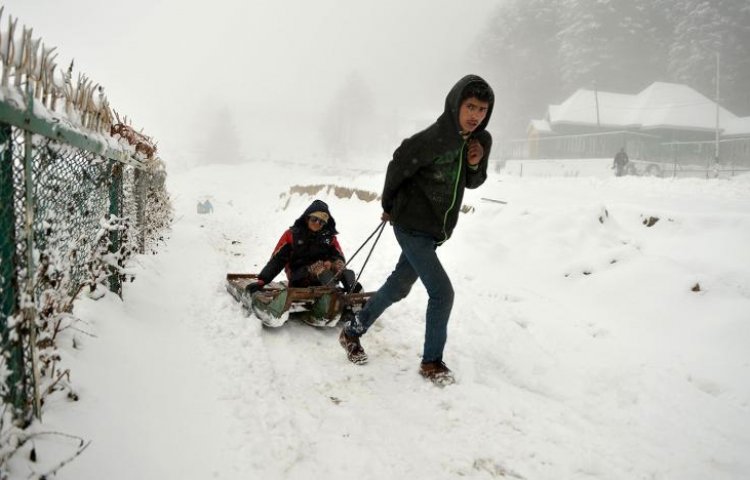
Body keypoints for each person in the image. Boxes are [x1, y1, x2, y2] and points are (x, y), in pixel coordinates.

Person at [338, 74, 494, 385]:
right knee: (442, 293)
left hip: (433, 230)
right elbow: (399, 163)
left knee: (398, 286)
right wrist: (389, 203)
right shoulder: (435, 138)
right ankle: (431, 363)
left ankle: (352, 330)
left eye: (482, 109)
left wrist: (475, 163)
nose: (476, 115)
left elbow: (473, 182)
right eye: (470, 106)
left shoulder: (479, 141)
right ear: (456, 105)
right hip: (410, 224)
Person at [246, 199, 359, 295]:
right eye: (314, 219)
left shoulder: (329, 238)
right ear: (307, 218)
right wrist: (262, 281)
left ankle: (354, 295)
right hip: (298, 276)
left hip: (324, 278)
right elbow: (277, 260)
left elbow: (338, 255)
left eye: (321, 222)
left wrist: (331, 261)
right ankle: (333, 296)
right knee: (320, 268)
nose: (317, 223)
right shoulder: (291, 235)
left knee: (340, 267)